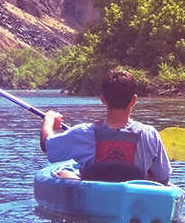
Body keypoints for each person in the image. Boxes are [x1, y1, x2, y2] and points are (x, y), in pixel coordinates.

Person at [40, 69, 172, 184]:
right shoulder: (150, 134)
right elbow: (163, 178)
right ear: (133, 100)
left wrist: (49, 119)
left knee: (63, 173)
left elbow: (46, 144)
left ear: (103, 99)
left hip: (93, 199)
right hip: (134, 202)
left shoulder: (83, 133)